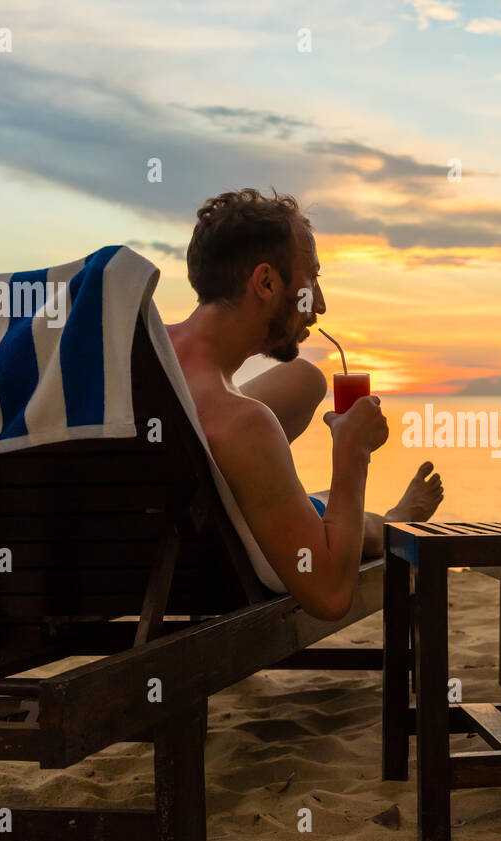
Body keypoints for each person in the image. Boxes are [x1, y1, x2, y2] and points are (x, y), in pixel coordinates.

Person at [169, 188, 442, 619]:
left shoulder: (142, 355)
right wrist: (352, 451)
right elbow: (330, 595)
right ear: (266, 282)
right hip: (205, 545)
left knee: (308, 379)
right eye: (310, 280)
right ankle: (392, 521)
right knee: (342, 511)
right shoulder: (242, 425)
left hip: (152, 515)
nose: (319, 303)